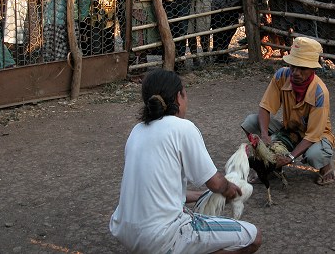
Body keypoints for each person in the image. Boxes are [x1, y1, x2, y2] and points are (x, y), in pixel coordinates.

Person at [109, 69, 262, 253]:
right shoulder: (183, 128)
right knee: (253, 237)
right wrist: (229, 189)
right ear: (178, 97)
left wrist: (201, 196)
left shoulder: (137, 131)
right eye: (185, 93)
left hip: (125, 230)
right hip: (159, 236)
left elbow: (160, 190)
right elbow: (216, 183)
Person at [241, 37, 335, 185]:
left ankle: (326, 165)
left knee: (315, 154)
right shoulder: (281, 75)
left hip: (315, 135)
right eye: (293, 66)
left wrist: (290, 158)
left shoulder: (319, 93)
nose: (295, 72)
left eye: (302, 68)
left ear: (313, 69)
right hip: (290, 129)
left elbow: (312, 135)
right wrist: (265, 135)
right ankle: (271, 166)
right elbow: (265, 107)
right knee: (251, 122)